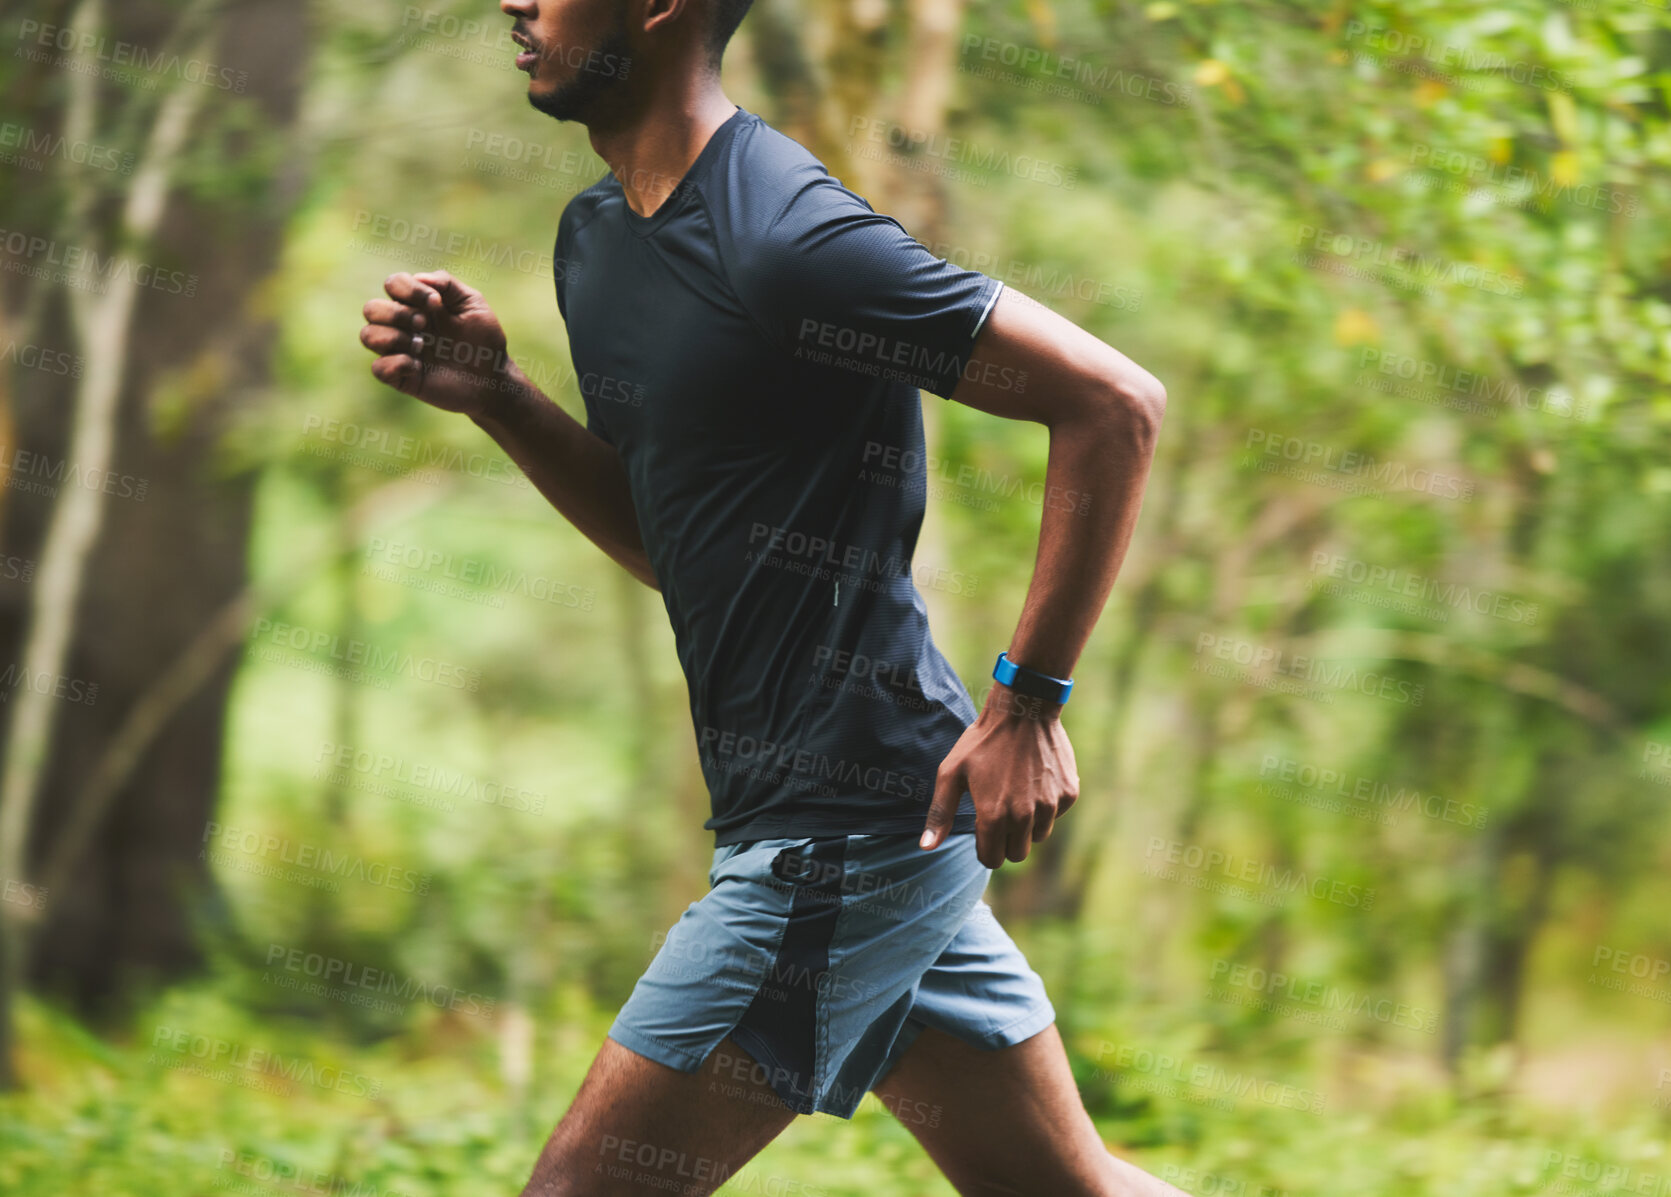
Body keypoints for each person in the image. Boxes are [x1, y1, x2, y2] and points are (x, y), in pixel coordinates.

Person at [359, 1, 1179, 1193]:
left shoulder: (786, 236)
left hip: (836, 835)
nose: (515, 2)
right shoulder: (596, 238)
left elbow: (1114, 403)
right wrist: (503, 398)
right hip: (870, 814)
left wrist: (1028, 704)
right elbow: (671, 546)